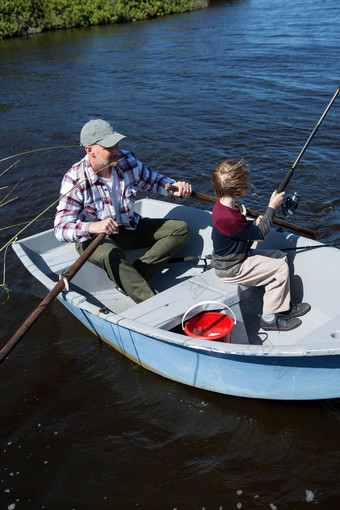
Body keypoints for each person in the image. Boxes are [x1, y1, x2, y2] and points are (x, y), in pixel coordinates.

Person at [54, 119, 192, 303]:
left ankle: (135, 276)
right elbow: (61, 229)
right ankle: (156, 304)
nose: (116, 150)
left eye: (116, 143)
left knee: (180, 229)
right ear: (89, 150)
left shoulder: (126, 161)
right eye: (108, 147)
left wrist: (174, 187)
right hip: (93, 239)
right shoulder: (74, 179)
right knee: (112, 255)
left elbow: (153, 180)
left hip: (127, 226)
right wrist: (93, 227)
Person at [211, 159, 311, 331]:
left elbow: (239, 229)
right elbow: (261, 235)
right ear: (239, 188)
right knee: (279, 268)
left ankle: (283, 306)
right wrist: (271, 208)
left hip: (233, 258)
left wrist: (252, 224)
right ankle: (269, 318)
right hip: (232, 268)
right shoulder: (231, 218)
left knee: (280, 256)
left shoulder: (221, 206)